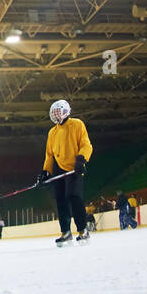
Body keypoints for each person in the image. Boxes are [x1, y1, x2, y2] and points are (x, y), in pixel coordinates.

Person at [35, 98, 93, 246]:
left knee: (73, 196)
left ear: (66, 111)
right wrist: (45, 172)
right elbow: (49, 155)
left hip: (74, 168)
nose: (56, 115)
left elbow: (86, 145)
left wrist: (81, 159)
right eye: (53, 113)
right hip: (59, 169)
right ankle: (66, 232)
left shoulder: (77, 124)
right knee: (60, 200)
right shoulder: (52, 132)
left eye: (58, 112)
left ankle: (83, 230)